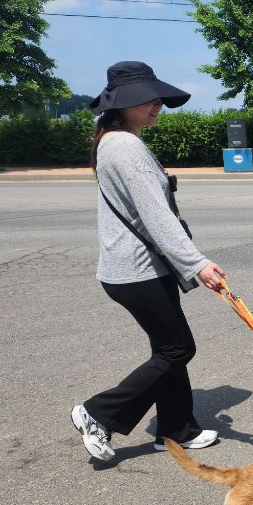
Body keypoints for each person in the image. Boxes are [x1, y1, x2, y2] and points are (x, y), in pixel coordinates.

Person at [70, 61, 227, 462]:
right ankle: (99, 412)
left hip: (136, 268)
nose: (156, 104)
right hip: (137, 271)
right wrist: (196, 264)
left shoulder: (113, 141)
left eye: (158, 97)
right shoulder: (125, 146)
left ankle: (176, 429)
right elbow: (156, 215)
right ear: (121, 103)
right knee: (177, 349)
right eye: (146, 98)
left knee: (167, 347)